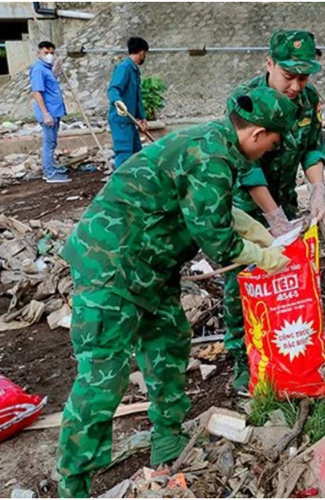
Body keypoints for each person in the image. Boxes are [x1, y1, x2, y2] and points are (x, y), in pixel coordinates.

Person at [55, 86, 297, 497]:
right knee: (103, 378)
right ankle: (74, 482)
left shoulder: (213, 143)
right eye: (273, 143)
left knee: (169, 344)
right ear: (256, 134)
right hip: (111, 267)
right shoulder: (213, 155)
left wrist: (247, 224)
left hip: (151, 266)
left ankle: (167, 438)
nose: (271, 151)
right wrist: (263, 254)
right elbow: (217, 241)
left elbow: (200, 200)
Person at [222, 30, 325, 392]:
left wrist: (318, 190)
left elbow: (312, 148)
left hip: (284, 198)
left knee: (287, 274)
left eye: (304, 77)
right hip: (247, 205)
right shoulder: (246, 100)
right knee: (245, 278)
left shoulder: (308, 99)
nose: (297, 85)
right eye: (289, 76)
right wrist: (272, 217)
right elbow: (247, 168)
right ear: (269, 64)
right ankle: (242, 356)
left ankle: (288, 344)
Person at [29, 41, 70, 183]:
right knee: (49, 143)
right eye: (46, 53)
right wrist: (45, 113)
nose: (49, 55)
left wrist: (56, 72)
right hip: (49, 112)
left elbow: (50, 85)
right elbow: (37, 92)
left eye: (52, 53)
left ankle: (52, 168)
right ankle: (50, 173)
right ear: (38, 53)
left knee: (52, 142)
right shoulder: (38, 69)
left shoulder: (47, 69)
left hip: (55, 110)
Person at [108, 36, 149, 169]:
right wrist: (118, 102)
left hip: (130, 120)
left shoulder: (134, 71)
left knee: (137, 153)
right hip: (120, 120)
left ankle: (137, 183)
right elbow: (113, 89)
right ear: (142, 52)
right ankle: (119, 186)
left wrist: (142, 118)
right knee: (124, 153)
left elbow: (136, 97)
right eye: (145, 54)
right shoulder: (124, 68)